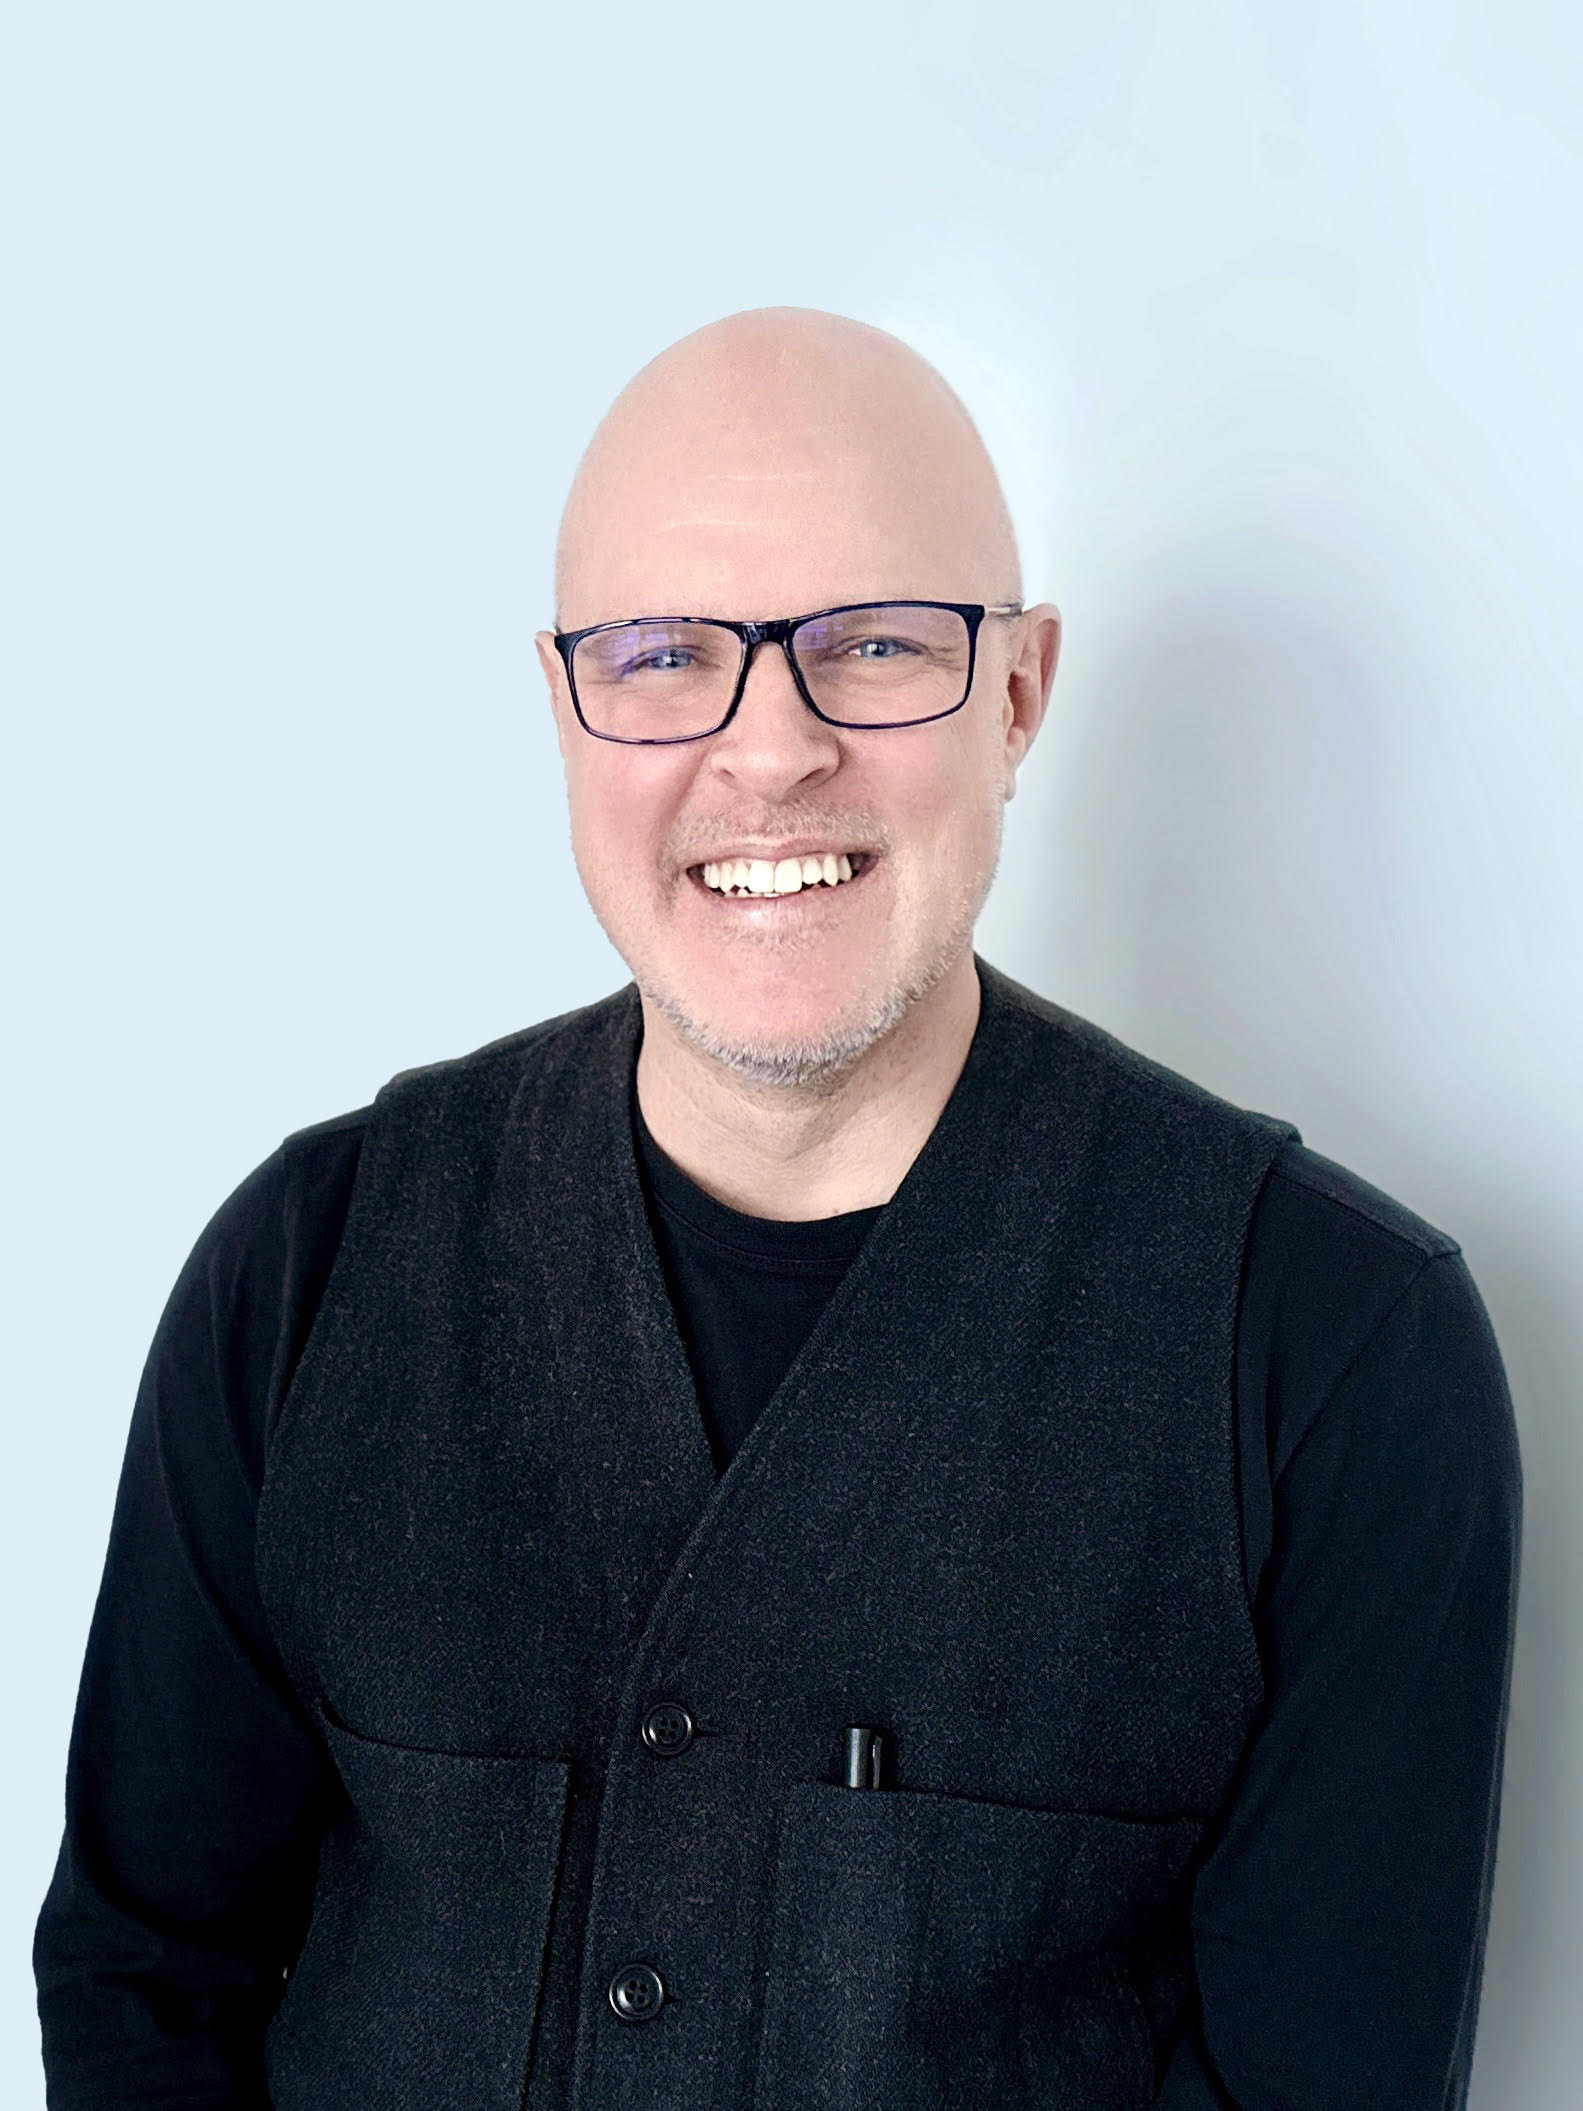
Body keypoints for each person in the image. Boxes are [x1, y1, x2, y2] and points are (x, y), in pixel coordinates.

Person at [35, 307, 1521, 2111]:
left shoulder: (1333, 1356)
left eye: (875, 644)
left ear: (1021, 695)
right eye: (664, 655)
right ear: (566, 708)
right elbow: (145, 1982)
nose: (767, 749)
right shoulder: (303, 1269)